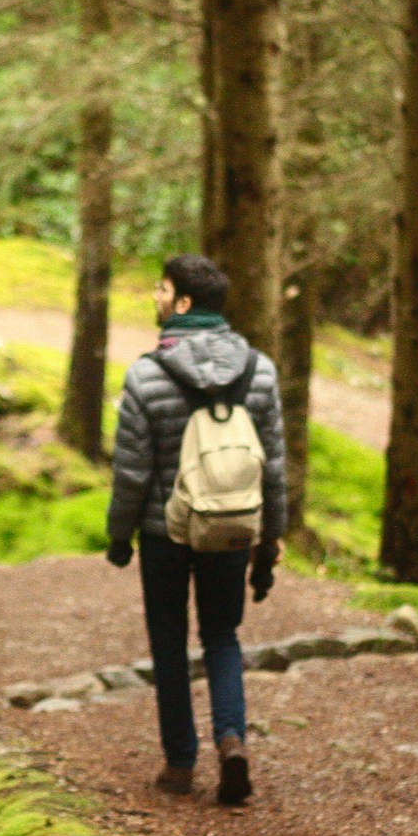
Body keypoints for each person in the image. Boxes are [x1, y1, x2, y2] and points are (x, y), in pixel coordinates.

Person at [104, 253, 286, 805]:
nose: (154, 298)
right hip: (232, 528)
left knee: (168, 639)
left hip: (166, 532)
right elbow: (272, 464)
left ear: (182, 303)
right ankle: (232, 740)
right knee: (222, 636)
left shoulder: (145, 374)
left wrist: (119, 535)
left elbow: (132, 471)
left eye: (161, 290)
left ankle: (180, 764)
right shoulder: (260, 371)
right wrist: (270, 534)